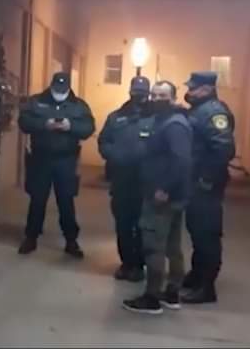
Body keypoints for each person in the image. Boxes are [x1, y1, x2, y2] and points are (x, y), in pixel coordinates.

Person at [123, 81, 192, 315]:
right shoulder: (166, 120)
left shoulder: (174, 124)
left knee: (154, 246)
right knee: (172, 245)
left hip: (163, 196)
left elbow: (181, 161)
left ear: (173, 98)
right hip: (169, 194)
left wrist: (165, 188)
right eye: (154, 95)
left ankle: (152, 297)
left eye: (163, 95)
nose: (156, 99)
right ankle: (171, 293)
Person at [18, 72, 95, 258]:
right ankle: (31, 237)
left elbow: (89, 128)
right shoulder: (36, 101)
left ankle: (71, 240)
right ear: (51, 85)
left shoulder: (79, 105)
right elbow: (24, 122)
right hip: (40, 158)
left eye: (63, 89)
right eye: (57, 88)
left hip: (66, 160)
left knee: (66, 200)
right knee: (37, 199)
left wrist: (71, 126)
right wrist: (45, 124)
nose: (59, 92)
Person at [181, 71, 236, 305]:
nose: (189, 92)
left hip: (206, 184)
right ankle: (197, 275)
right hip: (195, 181)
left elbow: (224, 149)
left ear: (207, 89)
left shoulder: (214, 112)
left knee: (207, 234)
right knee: (196, 231)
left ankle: (206, 287)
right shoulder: (198, 110)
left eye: (193, 88)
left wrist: (207, 179)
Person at [98, 76, 152, 282]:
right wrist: (114, 155)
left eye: (143, 93)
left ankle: (139, 264)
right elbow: (104, 141)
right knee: (123, 224)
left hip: (146, 182)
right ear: (130, 91)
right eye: (136, 91)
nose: (139, 96)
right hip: (121, 181)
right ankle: (126, 263)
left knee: (142, 226)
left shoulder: (156, 117)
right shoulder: (116, 117)